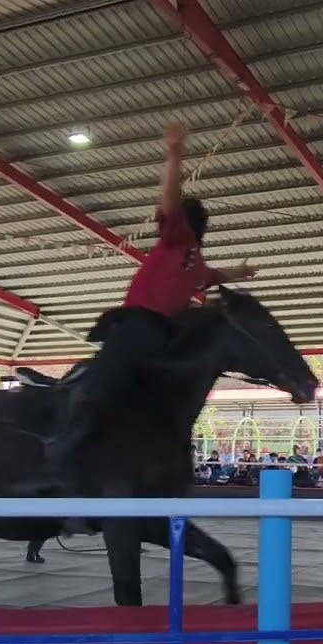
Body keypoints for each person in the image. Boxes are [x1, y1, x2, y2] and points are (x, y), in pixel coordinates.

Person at [44, 123, 258, 494]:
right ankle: (68, 437)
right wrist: (174, 154)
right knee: (108, 380)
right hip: (140, 326)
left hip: (158, 333)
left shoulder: (192, 260)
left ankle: (99, 442)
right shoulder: (179, 242)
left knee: (137, 387)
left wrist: (239, 272)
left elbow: (213, 273)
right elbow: (171, 203)